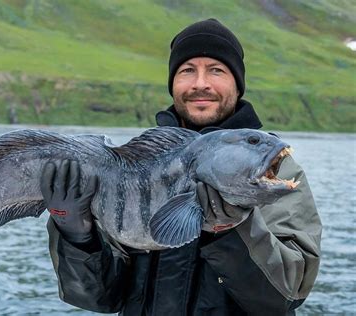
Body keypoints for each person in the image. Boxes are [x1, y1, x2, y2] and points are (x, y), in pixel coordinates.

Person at [42, 18, 322, 315]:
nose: (200, 83)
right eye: (188, 70)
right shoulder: (135, 166)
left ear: (238, 85)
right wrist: (76, 232)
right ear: (173, 83)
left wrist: (233, 230)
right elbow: (96, 299)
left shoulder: (277, 173)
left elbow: (287, 296)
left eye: (216, 70)